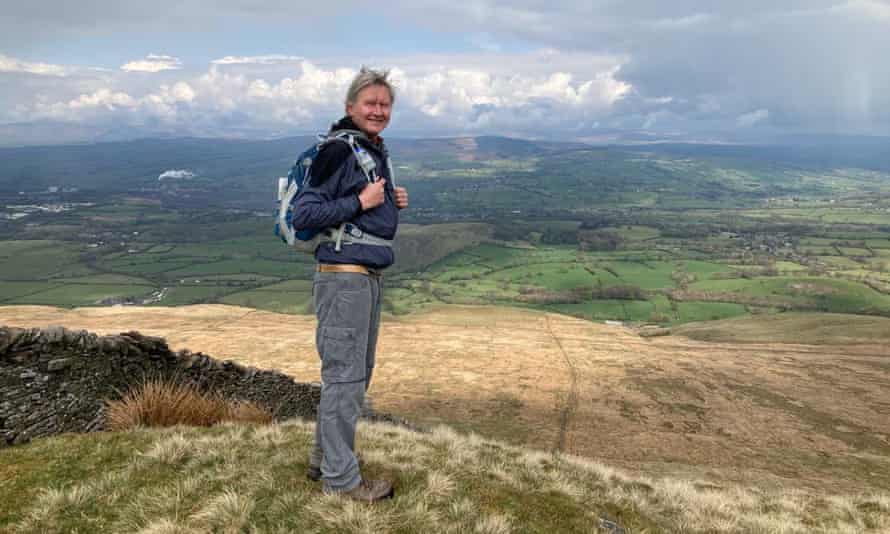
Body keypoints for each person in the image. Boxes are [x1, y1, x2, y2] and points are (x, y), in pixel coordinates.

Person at [292, 67, 408, 503]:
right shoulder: (338, 151)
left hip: (363, 279)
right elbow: (305, 213)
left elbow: (357, 214)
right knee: (345, 378)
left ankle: (324, 461)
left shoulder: (370, 150)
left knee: (353, 378)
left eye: (385, 104)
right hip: (344, 281)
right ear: (350, 108)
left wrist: (388, 206)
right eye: (370, 103)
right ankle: (341, 483)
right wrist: (362, 201)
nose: (378, 110)